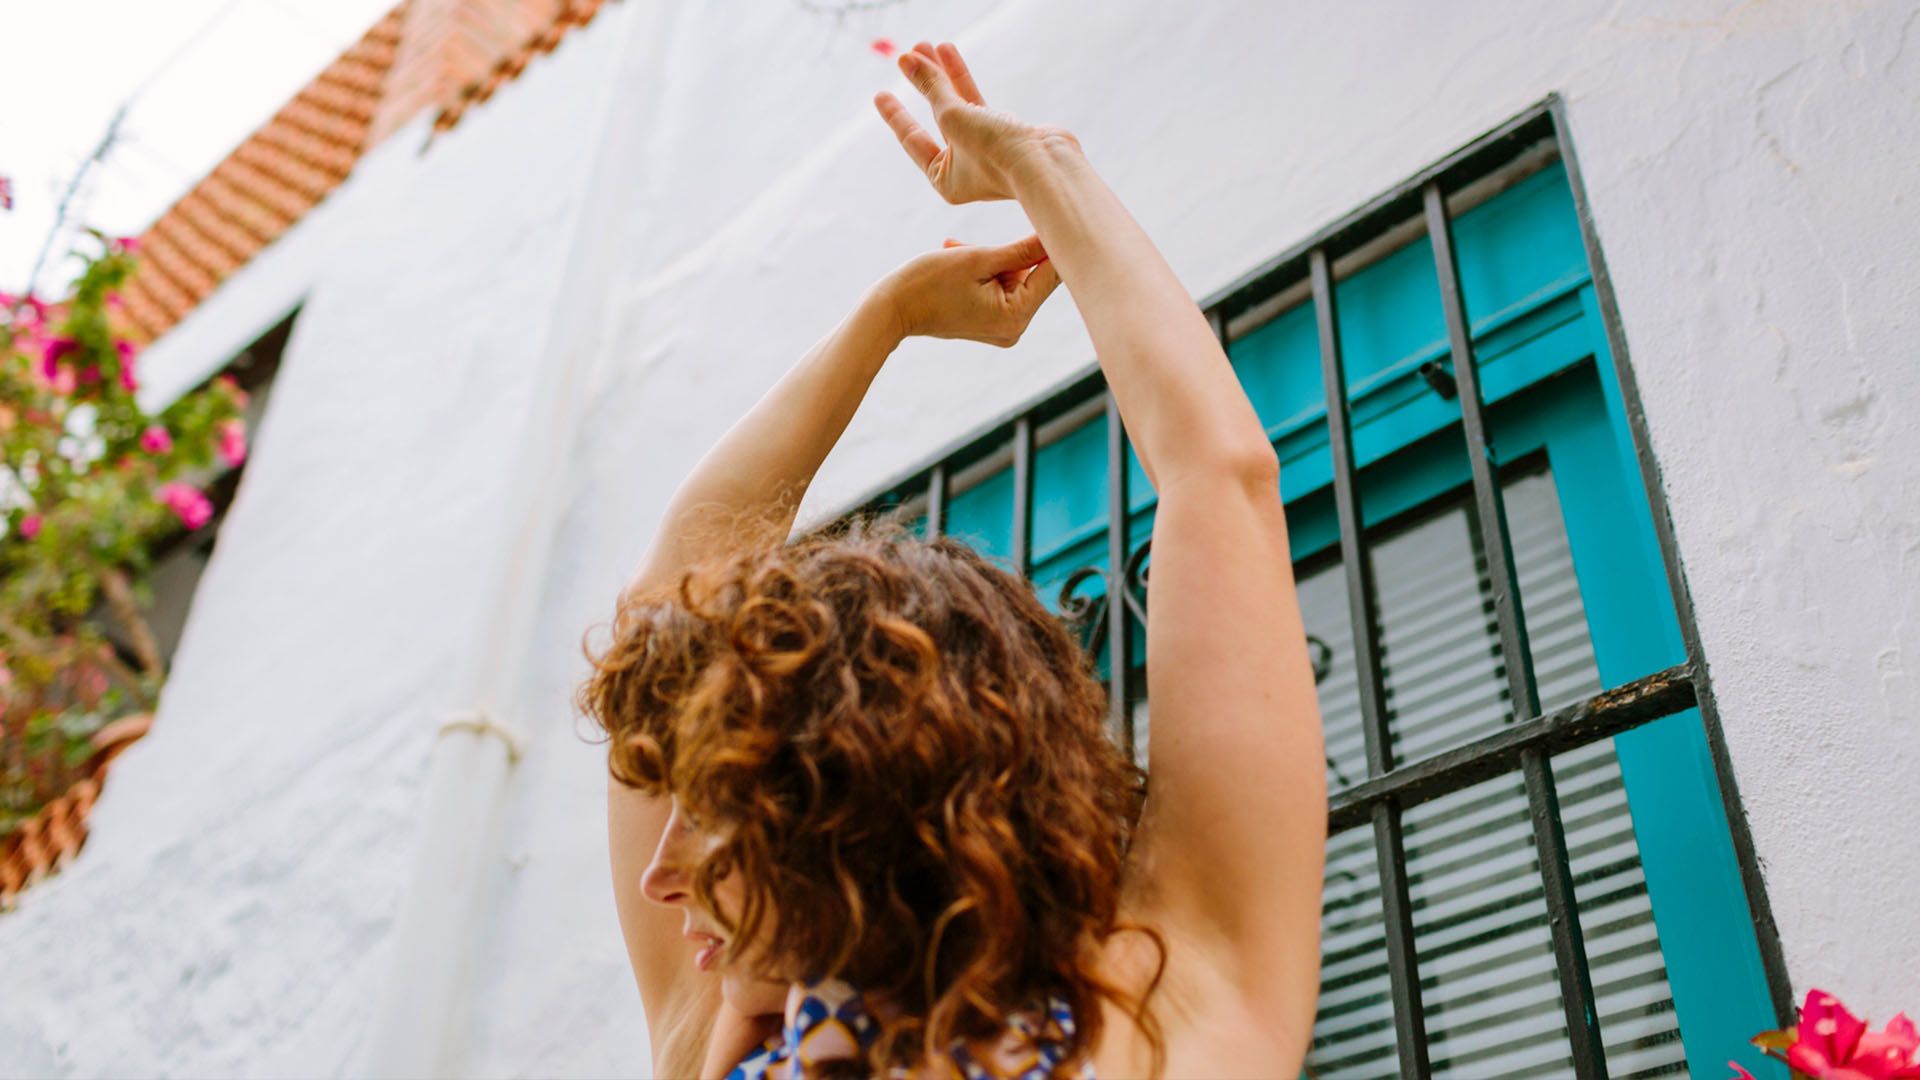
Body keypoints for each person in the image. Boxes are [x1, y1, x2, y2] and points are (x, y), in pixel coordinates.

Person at [579, 42, 1326, 1079]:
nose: (661, 875)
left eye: (714, 809)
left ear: (850, 799)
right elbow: (1218, 476)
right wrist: (900, 304)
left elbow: (1223, 482)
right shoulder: (1166, 1016)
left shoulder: (1154, 1012)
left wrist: (1038, 173)